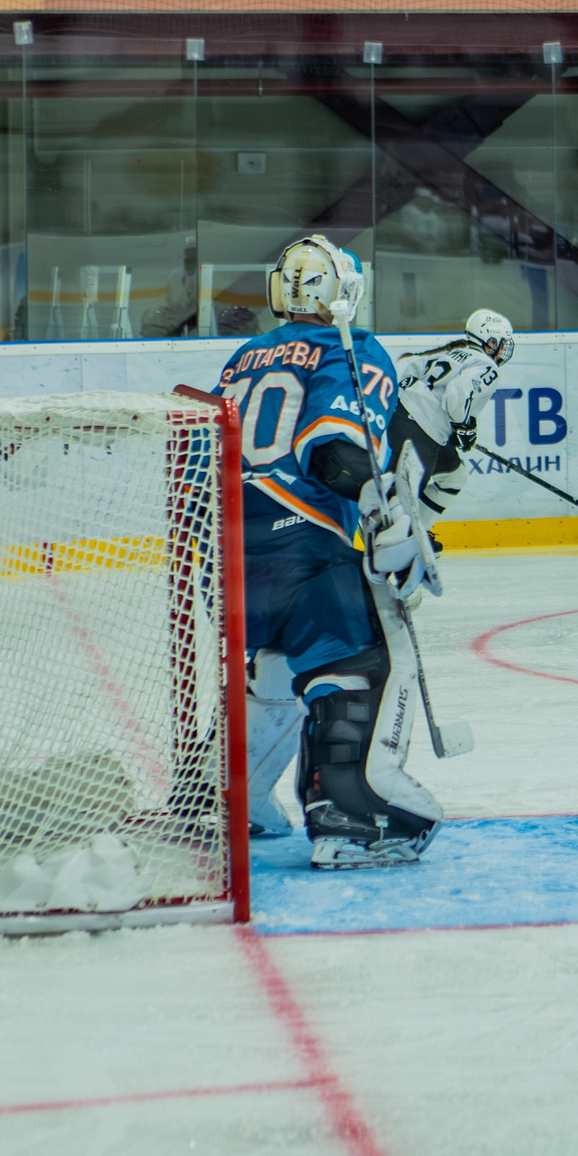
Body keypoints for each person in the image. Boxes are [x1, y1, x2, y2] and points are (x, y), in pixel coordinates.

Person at [214, 235, 443, 869]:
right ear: (345, 289)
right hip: (305, 542)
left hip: (226, 551)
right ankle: (353, 813)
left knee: (274, 668)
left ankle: (233, 800)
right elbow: (334, 448)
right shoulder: (353, 346)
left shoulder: (243, 357)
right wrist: (384, 515)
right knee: (361, 660)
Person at [387, 308, 516, 555]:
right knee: (400, 501)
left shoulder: (450, 352)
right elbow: (457, 395)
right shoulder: (487, 365)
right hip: (420, 433)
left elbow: (407, 368)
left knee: (454, 477)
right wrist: (465, 428)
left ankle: (418, 533)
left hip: (401, 420)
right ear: (488, 341)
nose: (502, 350)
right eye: (500, 343)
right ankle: (397, 546)